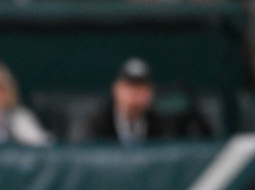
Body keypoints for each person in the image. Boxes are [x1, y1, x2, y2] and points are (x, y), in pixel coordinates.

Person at [83, 58, 212, 143]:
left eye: (141, 87)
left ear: (150, 92)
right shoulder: (98, 122)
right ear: (116, 89)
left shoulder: (160, 124)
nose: (135, 93)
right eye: (130, 86)